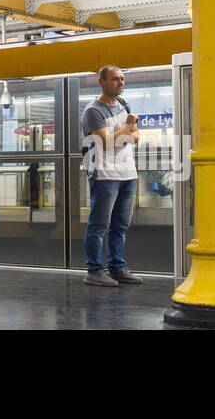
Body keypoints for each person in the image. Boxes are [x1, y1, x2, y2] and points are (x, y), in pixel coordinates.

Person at [81, 65, 141, 286]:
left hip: (127, 173)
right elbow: (104, 142)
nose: (121, 83)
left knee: (120, 225)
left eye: (122, 79)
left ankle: (117, 268)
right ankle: (94, 270)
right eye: (115, 79)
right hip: (104, 174)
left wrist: (124, 132)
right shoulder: (93, 111)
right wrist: (126, 129)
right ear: (102, 82)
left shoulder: (124, 105)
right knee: (99, 225)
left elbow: (137, 136)